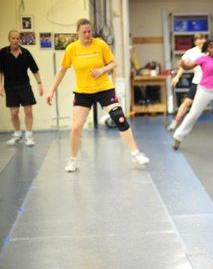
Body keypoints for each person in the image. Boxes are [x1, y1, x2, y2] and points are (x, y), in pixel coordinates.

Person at [45, 18, 149, 172]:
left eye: (89, 31)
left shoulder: (100, 44)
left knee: (119, 117)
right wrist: (52, 90)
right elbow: (62, 70)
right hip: (83, 92)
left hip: (104, 89)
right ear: (77, 32)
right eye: (84, 32)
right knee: (76, 128)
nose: (87, 34)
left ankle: (135, 153)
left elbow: (113, 63)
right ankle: (73, 160)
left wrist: (102, 70)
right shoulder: (71, 49)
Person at [168, 33, 213, 131]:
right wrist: (177, 77)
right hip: (198, 82)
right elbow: (183, 66)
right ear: (195, 42)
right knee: (187, 102)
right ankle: (175, 122)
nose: (200, 41)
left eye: (202, 39)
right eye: (198, 39)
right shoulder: (191, 52)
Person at [0, 30, 43, 146]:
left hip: (24, 86)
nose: (15, 40)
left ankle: (29, 136)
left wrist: (39, 84)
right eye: (13, 38)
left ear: (20, 39)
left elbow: (34, 69)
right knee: (14, 113)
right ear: (9, 39)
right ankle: (17, 135)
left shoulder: (26, 53)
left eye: (18, 38)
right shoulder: (3, 52)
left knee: (28, 111)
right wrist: (0, 85)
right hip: (10, 87)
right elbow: (1, 72)